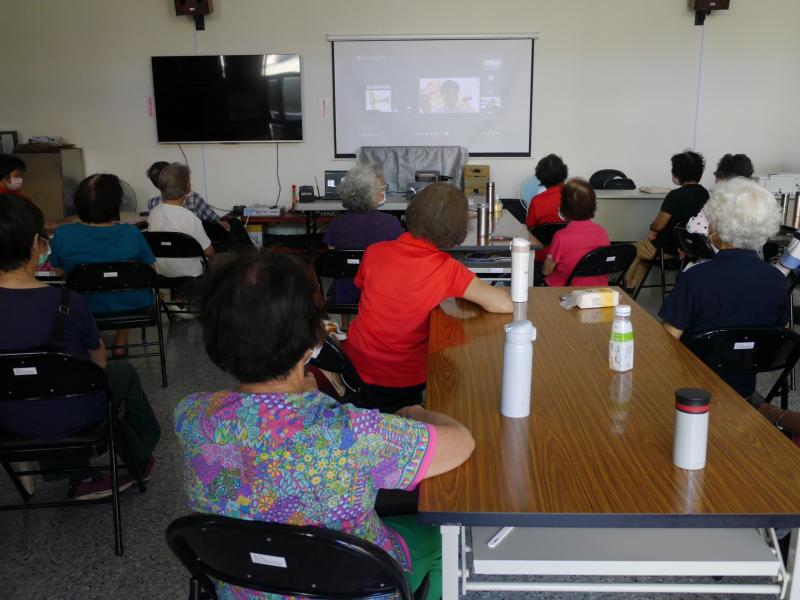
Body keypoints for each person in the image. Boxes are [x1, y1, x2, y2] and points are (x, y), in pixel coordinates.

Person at [174, 251, 475, 600]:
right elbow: (462, 442)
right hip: (354, 584)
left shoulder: (190, 416)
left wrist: (299, 395)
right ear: (312, 339)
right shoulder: (352, 434)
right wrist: (414, 412)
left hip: (245, 587)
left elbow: (263, 433)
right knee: (445, 536)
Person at [0, 195, 160, 499]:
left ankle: (76, 473)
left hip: (8, 421)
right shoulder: (67, 302)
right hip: (76, 412)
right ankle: (138, 456)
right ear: (36, 243)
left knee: (41, 385)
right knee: (120, 373)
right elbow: (99, 364)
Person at [344, 182, 513, 412]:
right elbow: (502, 304)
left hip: (355, 365)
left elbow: (367, 289)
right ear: (458, 228)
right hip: (404, 379)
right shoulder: (447, 269)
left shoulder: (374, 251)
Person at [660, 177, 788, 398]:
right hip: (744, 390)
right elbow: (778, 336)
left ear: (718, 225)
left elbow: (667, 340)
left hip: (691, 390)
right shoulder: (776, 279)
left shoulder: (695, 278)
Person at [50, 173, 156, 355]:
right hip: (133, 305)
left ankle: (94, 342)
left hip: (83, 305)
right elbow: (151, 271)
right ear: (117, 203)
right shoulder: (131, 233)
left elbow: (58, 272)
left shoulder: (63, 234)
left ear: (78, 203)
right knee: (123, 285)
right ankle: (121, 343)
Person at [625, 150, 709, 290]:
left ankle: (623, 287)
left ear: (678, 173)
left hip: (668, 248)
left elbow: (658, 225)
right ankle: (631, 285)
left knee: (630, 249)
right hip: (690, 248)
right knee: (645, 252)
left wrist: (653, 228)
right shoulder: (704, 193)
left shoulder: (675, 195)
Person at [323, 164, 403, 304]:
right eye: (382, 189)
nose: (384, 192)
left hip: (345, 292)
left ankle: (346, 318)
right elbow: (397, 258)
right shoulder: (391, 223)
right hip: (379, 291)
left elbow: (333, 256)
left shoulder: (336, 223)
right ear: (372, 194)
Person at [146, 160, 253, 249]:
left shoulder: (153, 207)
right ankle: (249, 258)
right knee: (232, 226)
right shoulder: (191, 209)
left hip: (169, 250)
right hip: (197, 245)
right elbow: (213, 221)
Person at [147, 162, 214, 279]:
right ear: (187, 189)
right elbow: (209, 252)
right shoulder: (190, 218)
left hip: (162, 274)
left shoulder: (153, 214)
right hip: (191, 275)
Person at [542, 178, 610, 287]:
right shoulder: (602, 232)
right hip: (597, 289)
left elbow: (546, 271)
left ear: (564, 208)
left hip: (564, 290)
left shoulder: (561, 237)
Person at [686, 153, 754, 238]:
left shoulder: (718, 203)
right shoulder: (756, 203)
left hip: (717, 245)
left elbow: (693, 227)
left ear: (722, 178)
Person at [524, 154, 568, 267]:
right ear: (564, 173)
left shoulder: (537, 201)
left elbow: (531, 230)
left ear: (540, 177)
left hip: (543, 255)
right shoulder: (575, 196)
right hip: (570, 253)